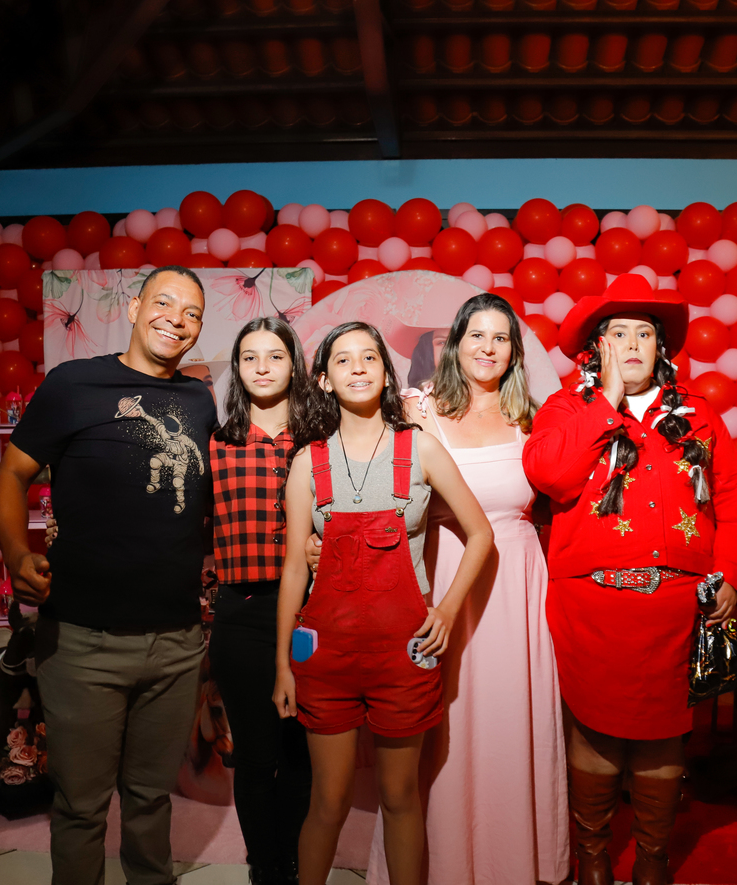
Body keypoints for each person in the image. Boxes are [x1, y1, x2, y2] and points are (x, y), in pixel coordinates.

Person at [522, 274, 737, 885]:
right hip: (590, 606)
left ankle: (652, 858)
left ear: (661, 347)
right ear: (597, 348)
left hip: (674, 608)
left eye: (644, 334)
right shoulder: (567, 409)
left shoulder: (698, 416)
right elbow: (551, 476)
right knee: (593, 732)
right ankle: (594, 858)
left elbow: (731, 499)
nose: (631, 344)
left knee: (663, 737)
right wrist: (608, 401)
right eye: (617, 333)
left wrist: (733, 572)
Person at [0, 266, 216, 885]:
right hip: (82, 641)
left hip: (176, 643)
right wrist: (16, 554)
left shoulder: (200, 401)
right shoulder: (74, 383)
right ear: (136, 307)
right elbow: (11, 475)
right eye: (164, 303)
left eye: (192, 313)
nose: (176, 319)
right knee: (81, 806)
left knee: (150, 801)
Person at [273, 322, 493, 885]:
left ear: (386, 373)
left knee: (400, 797)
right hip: (326, 659)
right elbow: (295, 567)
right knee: (328, 800)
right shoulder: (308, 463)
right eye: (343, 360)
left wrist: (446, 610)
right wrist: (282, 667)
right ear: (324, 380)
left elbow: (481, 535)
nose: (358, 367)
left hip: (404, 655)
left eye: (369, 357)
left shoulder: (420, 447)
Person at [365, 293, 570, 885]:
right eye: (476, 335)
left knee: (508, 719)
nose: (488, 347)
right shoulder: (417, 409)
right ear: (454, 344)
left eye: (500, 338)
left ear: (515, 351)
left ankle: (513, 863)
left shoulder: (534, 418)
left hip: (516, 583)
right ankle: (442, 865)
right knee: (441, 724)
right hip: (442, 575)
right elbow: (379, 496)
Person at [207, 318, 314, 885]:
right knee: (254, 755)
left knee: (301, 752)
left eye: (275, 355)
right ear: (237, 368)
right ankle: (264, 869)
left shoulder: (321, 439)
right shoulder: (216, 443)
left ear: (295, 364)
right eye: (250, 357)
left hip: (311, 614)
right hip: (243, 612)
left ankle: (293, 862)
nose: (263, 367)